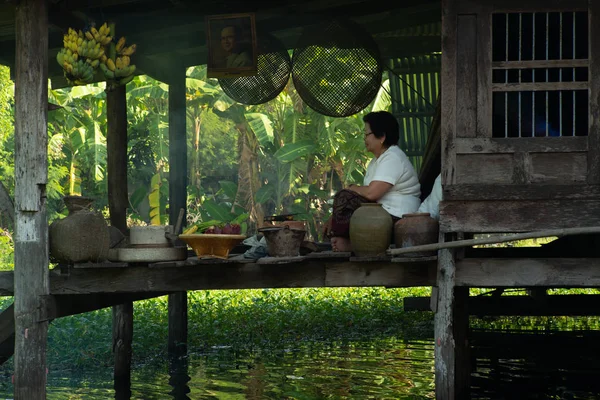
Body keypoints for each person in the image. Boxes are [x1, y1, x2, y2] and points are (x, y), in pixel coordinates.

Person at [323, 111, 421, 252]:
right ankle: (342, 239)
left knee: (344, 196)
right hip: (381, 214)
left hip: (397, 218)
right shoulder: (376, 161)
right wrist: (332, 219)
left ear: (381, 137)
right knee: (344, 201)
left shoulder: (393, 157)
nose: (364, 139)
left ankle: (349, 243)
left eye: (367, 134)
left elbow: (371, 193)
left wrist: (352, 188)